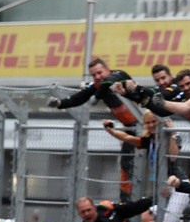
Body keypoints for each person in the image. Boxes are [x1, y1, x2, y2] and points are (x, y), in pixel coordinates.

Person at [51, 58, 143, 194]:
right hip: (129, 129)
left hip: (144, 125)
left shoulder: (118, 75)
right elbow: (80, 97)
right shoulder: (97, 85)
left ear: (107, 69)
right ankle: (128, 199)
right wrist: (60, 103)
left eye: (100, 73)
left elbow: (109, 81)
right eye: (94, 75)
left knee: (152, 162)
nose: (97, 77)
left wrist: (97, 97)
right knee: (126, 166)